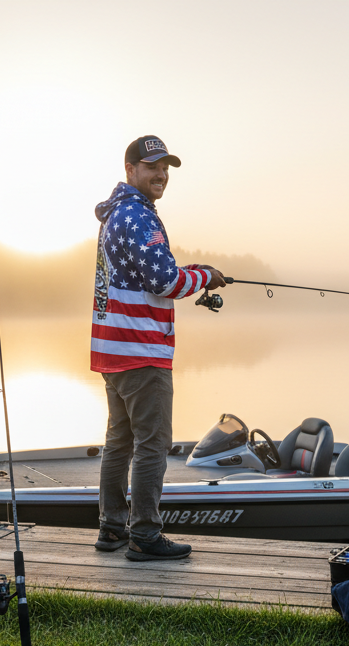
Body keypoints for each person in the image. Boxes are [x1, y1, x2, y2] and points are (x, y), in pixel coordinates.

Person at [90, 135, 226, 561]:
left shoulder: (114, 215)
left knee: (119, 442)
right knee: (152, 443)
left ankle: (112, 528)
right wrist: (205, 276)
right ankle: (145, 535)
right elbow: (165, 281)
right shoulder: (138, 217)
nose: (161, 174)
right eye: (152, 166)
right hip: (140, 349)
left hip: (112, 348)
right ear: (130, 170)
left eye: (165, 167)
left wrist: (196, 271)